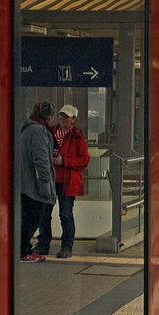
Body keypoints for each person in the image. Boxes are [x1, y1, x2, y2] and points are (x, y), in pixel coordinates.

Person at [34, 104, 90, 259]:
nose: (63, 118)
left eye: (67, 116)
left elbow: (84, 160)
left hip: (67, 182)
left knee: (65, 215)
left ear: (74, 119)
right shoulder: (49, 132)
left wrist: (64, 161)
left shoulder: (77, 136)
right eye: (61, 115)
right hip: (49, 180)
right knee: (44, 214)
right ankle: (43, 244)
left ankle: (66, 247)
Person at [20, 101, 56, 261]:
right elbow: (41, 161)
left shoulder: (26, 127)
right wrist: (46, 187)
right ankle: (23, 252)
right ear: (50, 117)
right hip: (33, 186)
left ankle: (25, 249)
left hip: (24, 184)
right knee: (32, 220)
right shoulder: (38, 131)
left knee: (27, 219)